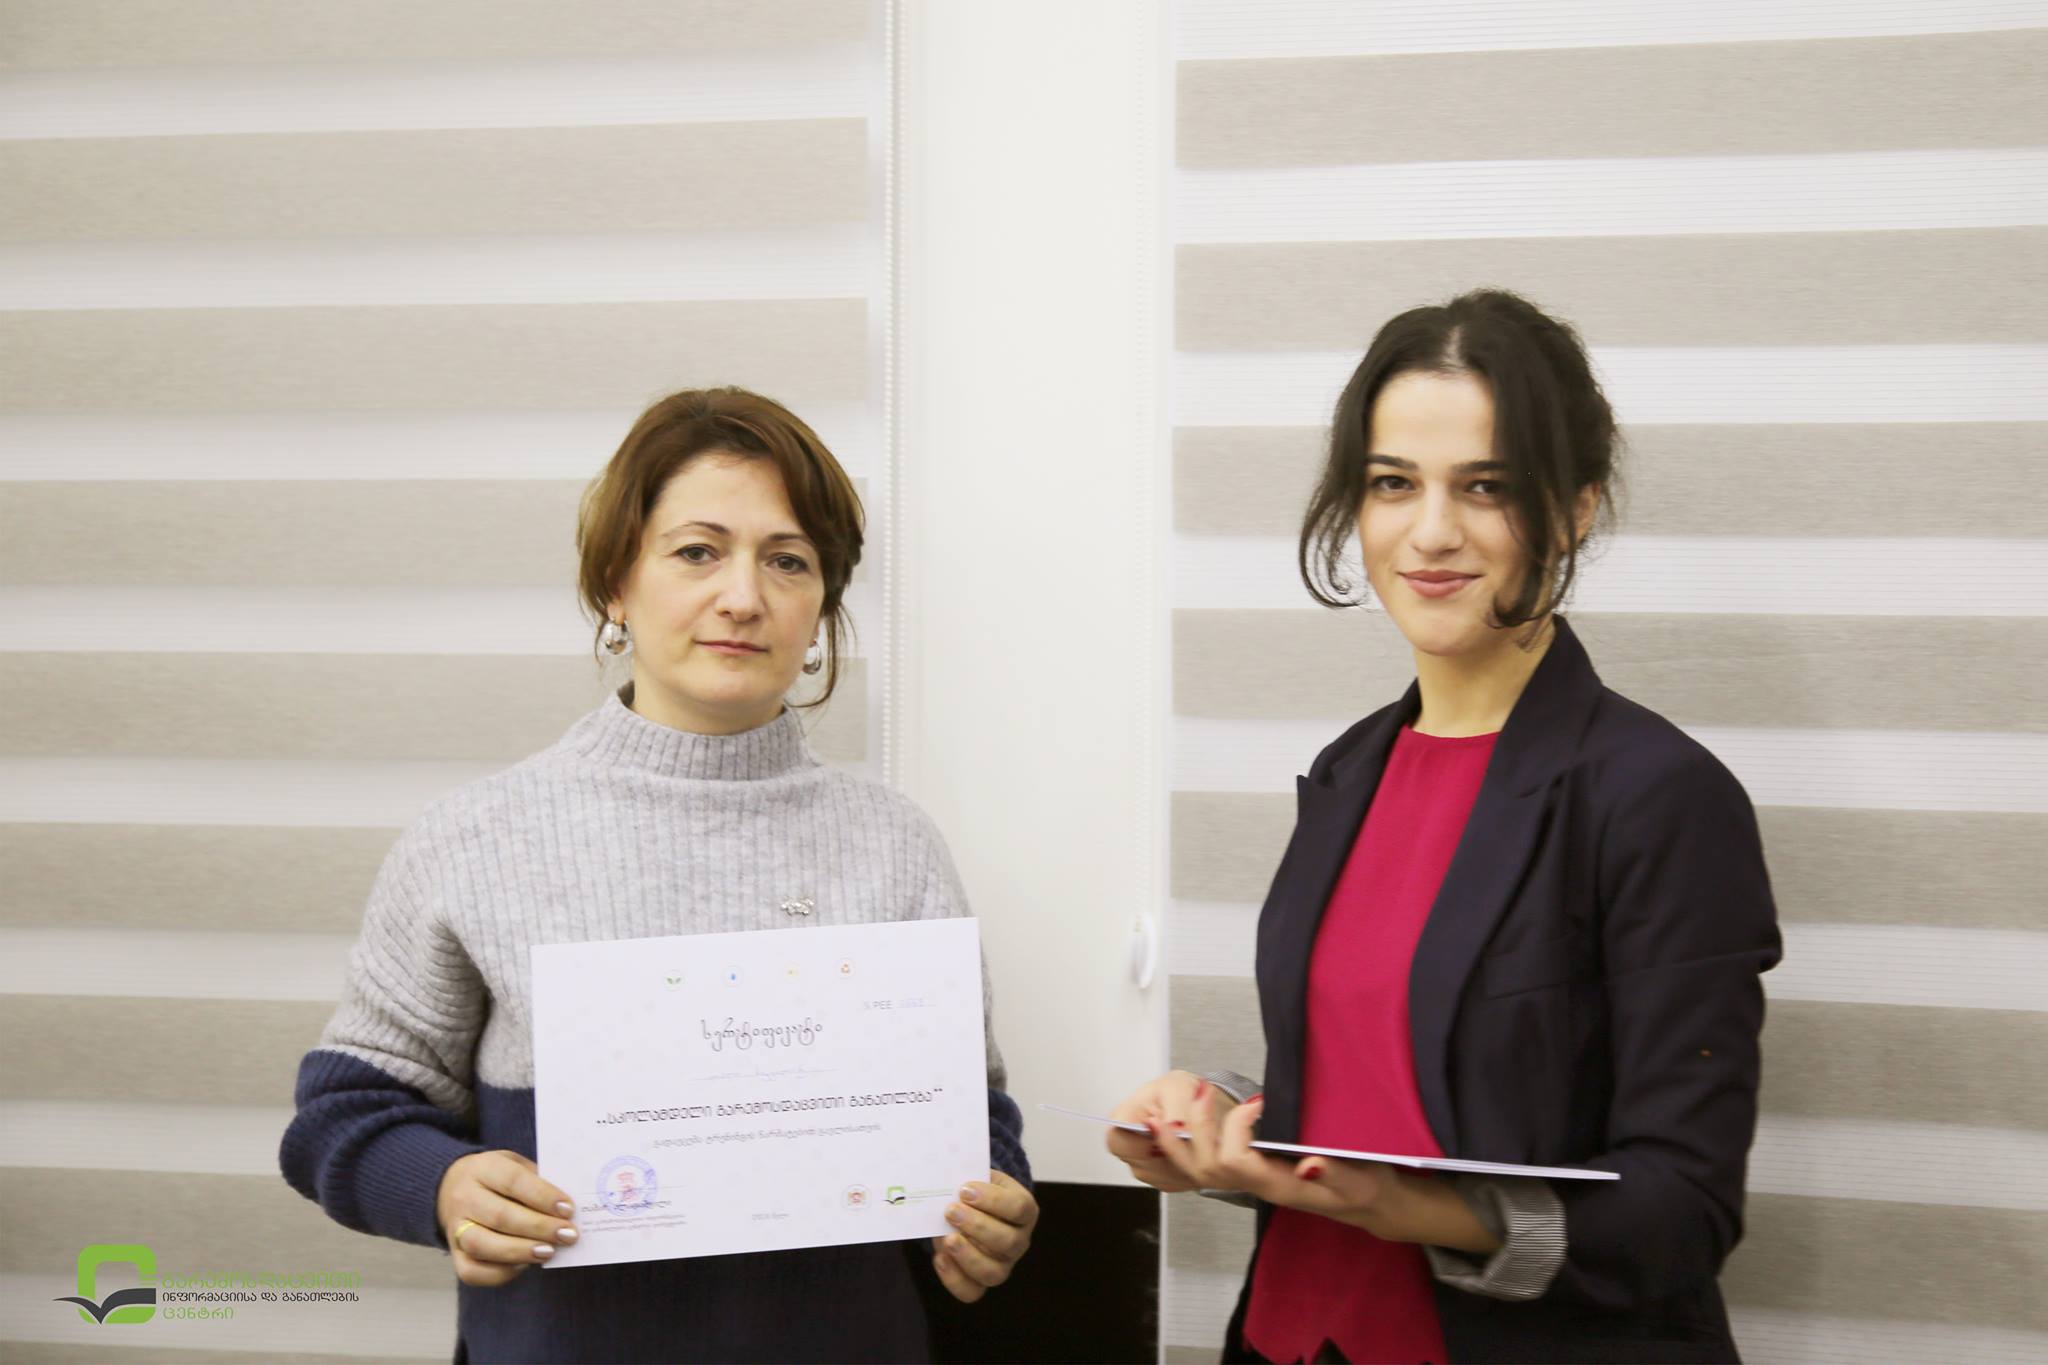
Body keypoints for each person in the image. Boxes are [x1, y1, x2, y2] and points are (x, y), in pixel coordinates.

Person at [281, 387, 1037, 1363]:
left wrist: (993, 1204)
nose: (743, 597)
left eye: (788, 560)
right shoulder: (477, 838)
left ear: (821, 607)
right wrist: (441, 1186)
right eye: (696, 551)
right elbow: (344, 1115)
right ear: (615, 584)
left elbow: (970, 1118)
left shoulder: (895, 845)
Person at [1110, 291, 1780, 1364]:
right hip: (1290, 1336)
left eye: (1486, 487)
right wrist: (1221, 1121)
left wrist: (1407, 1210)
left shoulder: (1657, 794)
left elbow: (1679, 1211)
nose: (1429, 531)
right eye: (1392, 483)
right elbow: (1379, 1089)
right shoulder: (1350, 769)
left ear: (1574, 509)